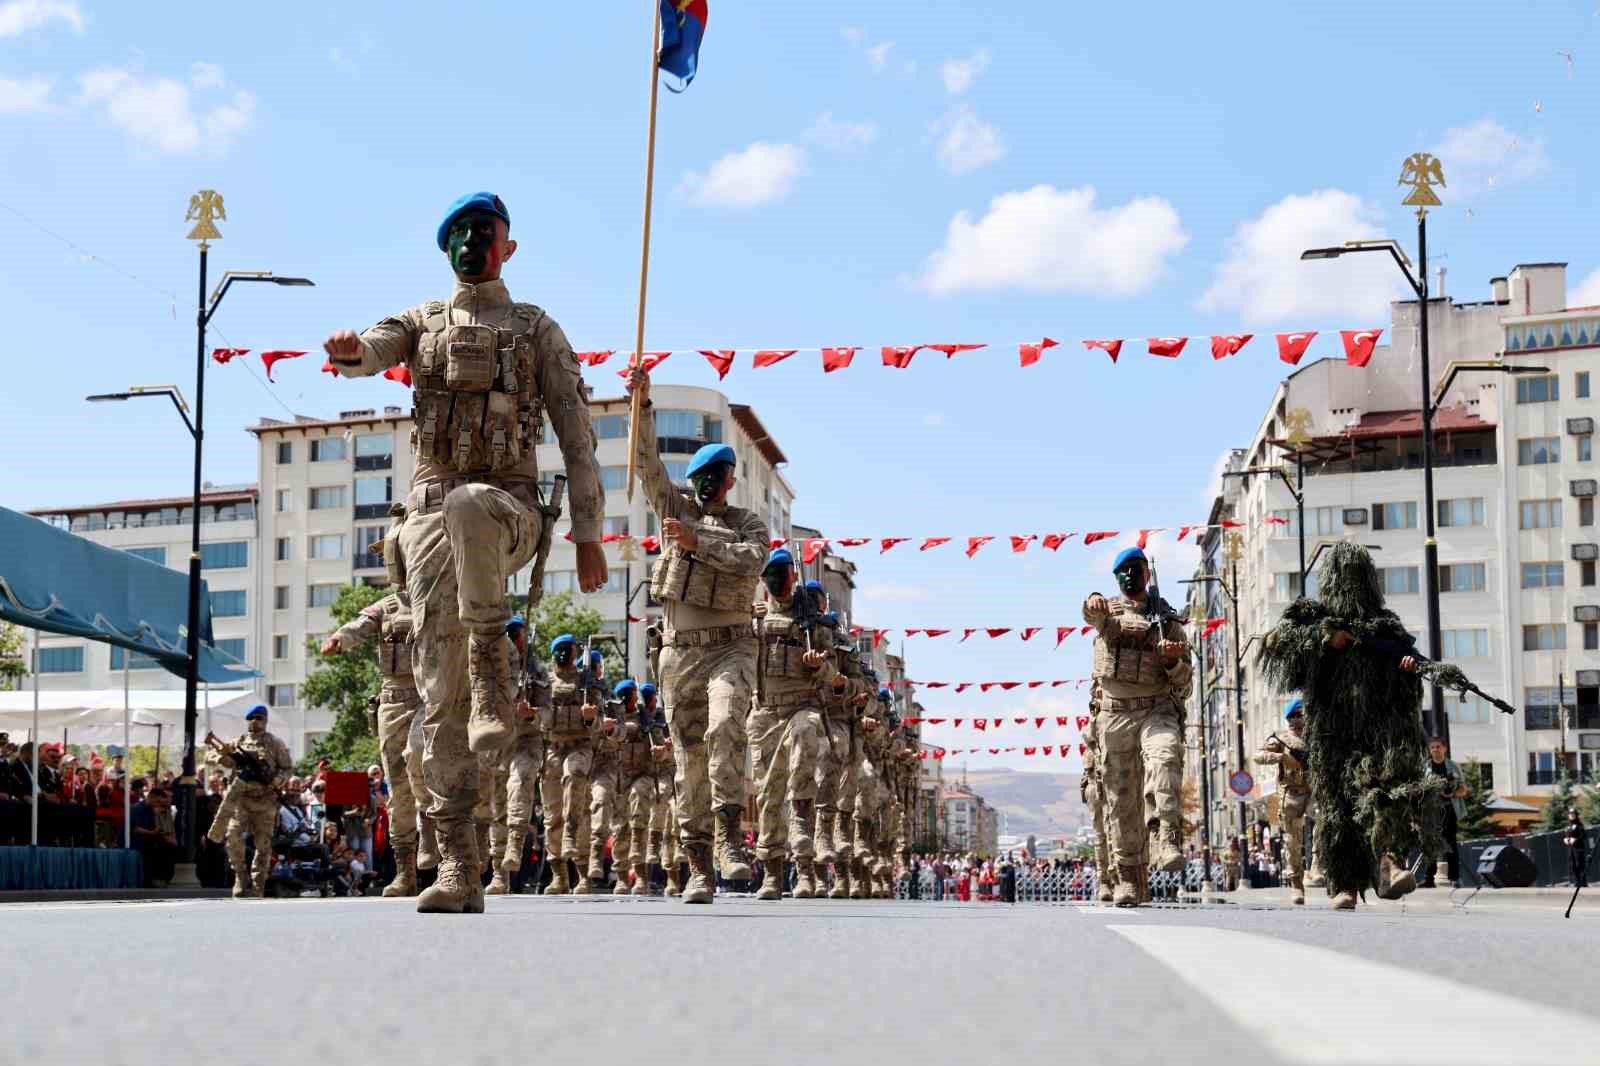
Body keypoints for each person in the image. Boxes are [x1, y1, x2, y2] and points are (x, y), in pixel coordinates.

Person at [324, 190, 607, 915]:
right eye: (458, 232)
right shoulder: (420, 322)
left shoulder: (536, 329)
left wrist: (586, 535)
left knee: (467, 505)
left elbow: (578, 438)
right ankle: (457, 868)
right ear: (443, 248)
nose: (471, 242)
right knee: (435, 691)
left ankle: (491, 657)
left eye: (485, 231)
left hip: (505, 511)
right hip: (426, 532)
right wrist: (354, 355)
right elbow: (375, 346)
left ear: (509, 247)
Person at [625, 366, 768, 904]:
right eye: (705, 476)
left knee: (725, 723)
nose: (712, 484)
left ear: (731, 482)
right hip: (678, 653)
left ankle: (732, 839)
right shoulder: (675, 508)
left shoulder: (748, 523)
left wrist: (696, 540)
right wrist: (641, 407)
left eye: (721, 476)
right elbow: (645, 467)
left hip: (730, 645)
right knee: (687, 758)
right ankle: (699, 865)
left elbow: (751, 561)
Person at [1258, 543, 1444, 910]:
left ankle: (1388, 866)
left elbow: (1405, 677)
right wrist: (1325, 639)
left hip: (1377, 733)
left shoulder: (1385, 628)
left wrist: (1405, 673)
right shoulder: (1312, 618)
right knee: (1337, 810)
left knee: (1382, 795)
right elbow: (1275, 646)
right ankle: (1345, 884)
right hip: (1331, 735)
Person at [1082, 546, 1192, 907]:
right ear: (1117, 577)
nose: (1131, 576)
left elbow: (1186, 685)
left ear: (1148, 574)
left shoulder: (1169, 621)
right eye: (1124, 570)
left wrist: (1173, 662)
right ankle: (1129, 877)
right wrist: (1093, 602)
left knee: (1165, 759)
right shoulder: (1107, 614)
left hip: (1157, 708)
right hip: (1114, 715)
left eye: (1137, 569)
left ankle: (1168, 838)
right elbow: (1089, 611)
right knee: (1121, 799)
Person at [321, 588, 432, 897]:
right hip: (392, 699)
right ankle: (405, 872)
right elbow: (361, 624)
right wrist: (339, 639)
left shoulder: (437, 596)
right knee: (398, 791)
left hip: (427, 696)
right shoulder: (388, 605)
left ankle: (431, 834)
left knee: (418, 754)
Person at [749, 549, 836, 901]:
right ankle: (771, 874)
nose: (778, 583)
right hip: (767, 713)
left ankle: (804, 865)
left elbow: (832, 674)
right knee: (769, 794)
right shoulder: (754, 620)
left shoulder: (813, 623)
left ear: (793, 578)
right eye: (771, 576)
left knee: (805, 735)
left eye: (783, 575)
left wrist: (817, 665)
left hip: (803, 705)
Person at [486, 615, 549, 895]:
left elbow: (550, 714)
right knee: (497, 807)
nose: (513, 639)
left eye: (516, 633)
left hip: (526, 740)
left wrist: (532, 714)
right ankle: (500, 874)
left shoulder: (537, 672)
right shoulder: (491, 670)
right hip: (499, 744)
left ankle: (514, 844)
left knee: (520, 783)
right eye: (508, 633)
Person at [207, 704, 293, 898]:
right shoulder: (238, 742)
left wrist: (277, 780)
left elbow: (287, 768)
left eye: (260, 718)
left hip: (265, 801)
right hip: (241, 800)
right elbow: (213, 758)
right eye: (252, 718)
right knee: (233, 839)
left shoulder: (274, 743)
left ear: (265, 720)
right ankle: (240, 875)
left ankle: (258, 884)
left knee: (263, 846)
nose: (256, 721)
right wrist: (223, 754)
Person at [540, 634, 600, 894]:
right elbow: (536, 722)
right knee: (552, 814)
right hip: (553, 748)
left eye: (571, 650)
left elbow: (602, 728)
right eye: (562, 650)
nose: (566, 654)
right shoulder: (544, 683)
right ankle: (560, 876)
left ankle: (583, 872)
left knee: (574, 777)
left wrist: (590, 719)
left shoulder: (588, 684)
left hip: (579, 746)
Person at [611, 679, 666, 896]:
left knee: (639, 818)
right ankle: (622, 878)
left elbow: (660, 745)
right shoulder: (614, 718)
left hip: (643, 774)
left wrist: (660, 751)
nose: (630, 698)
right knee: (620, 829)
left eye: (632, 694)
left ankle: (641, 875)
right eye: (626, 694)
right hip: (620, 777)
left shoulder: (649, 719)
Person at [1254, 699, 1312, 904]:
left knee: (1325, 820)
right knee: (1292, 842)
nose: (1299, 719)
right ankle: (1297, 884)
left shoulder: (1315, 736)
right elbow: (1258, 755)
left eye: (1302, 715)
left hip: (1314, 790)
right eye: (1295, 716)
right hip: (1291, 794)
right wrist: (1280, 758)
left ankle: (1317, 869)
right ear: (1290, 718)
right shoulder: (1281, 738)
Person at [585, 674, 627, 893]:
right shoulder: (578, 699)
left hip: (605, 767)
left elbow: (622, 732)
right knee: (577, 818)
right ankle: (576, 877)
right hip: (581, 763)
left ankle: (598, 860)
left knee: (602, 808)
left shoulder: (613, 706)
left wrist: (610, 729)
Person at [642, 680, 680, 896]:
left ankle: (675, 877)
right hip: (654, 780)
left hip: (674, 777)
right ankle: (644, 879)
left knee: (674, 826)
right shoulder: (644, 721)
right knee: (656, 826)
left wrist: (668, 749)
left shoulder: (668, 720)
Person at [1422, 737, 1466, 888]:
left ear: (1445, 748)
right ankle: (1428, 879)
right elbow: (1420, 789)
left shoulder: (1453, 766)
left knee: (1450, 843)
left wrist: (1451, 794)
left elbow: (1463, 789)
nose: (1435, 750)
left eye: (1438, 747)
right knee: (1430, 843)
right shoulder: (1425, 767)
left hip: (1449, 808)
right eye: (1432, 747)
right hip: (1431, 810)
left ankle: (1455, 878)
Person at [130, 785, 179, 886]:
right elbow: (134, 828)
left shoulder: (162, 811)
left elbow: (168, 831)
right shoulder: (137, 808)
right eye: (157, 802)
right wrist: (152, 833)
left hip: (155, 841)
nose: (158, 804)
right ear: (151, 797)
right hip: (140, 842)